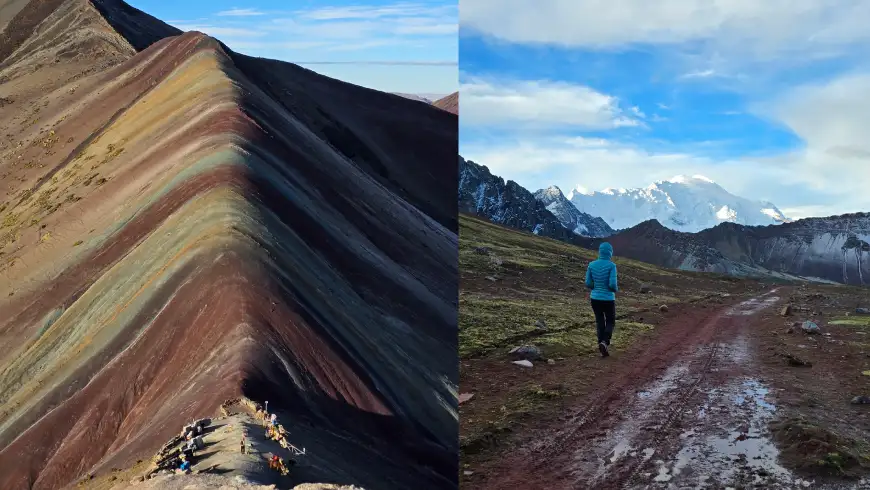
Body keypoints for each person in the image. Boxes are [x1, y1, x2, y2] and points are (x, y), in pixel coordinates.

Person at [585, 242, 618, 357]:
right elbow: (612, 284)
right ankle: (605, 342)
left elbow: (588, 283)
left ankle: (600, 343)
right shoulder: (612, 266)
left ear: (600, 251)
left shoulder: (591, 265)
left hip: (595, 298)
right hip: (608, 299)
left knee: (600, 321)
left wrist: (596, 288)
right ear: (610, 252)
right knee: (610, 321)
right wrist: (615, 290)